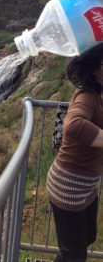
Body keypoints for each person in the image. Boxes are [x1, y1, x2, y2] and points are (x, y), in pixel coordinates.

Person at [46, 43, 103, 262]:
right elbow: (74, 125)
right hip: (67, 189)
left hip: (86, 189)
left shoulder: (100, 93)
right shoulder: (87, 96)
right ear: (95, 68)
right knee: (75, 255)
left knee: (86, 238)